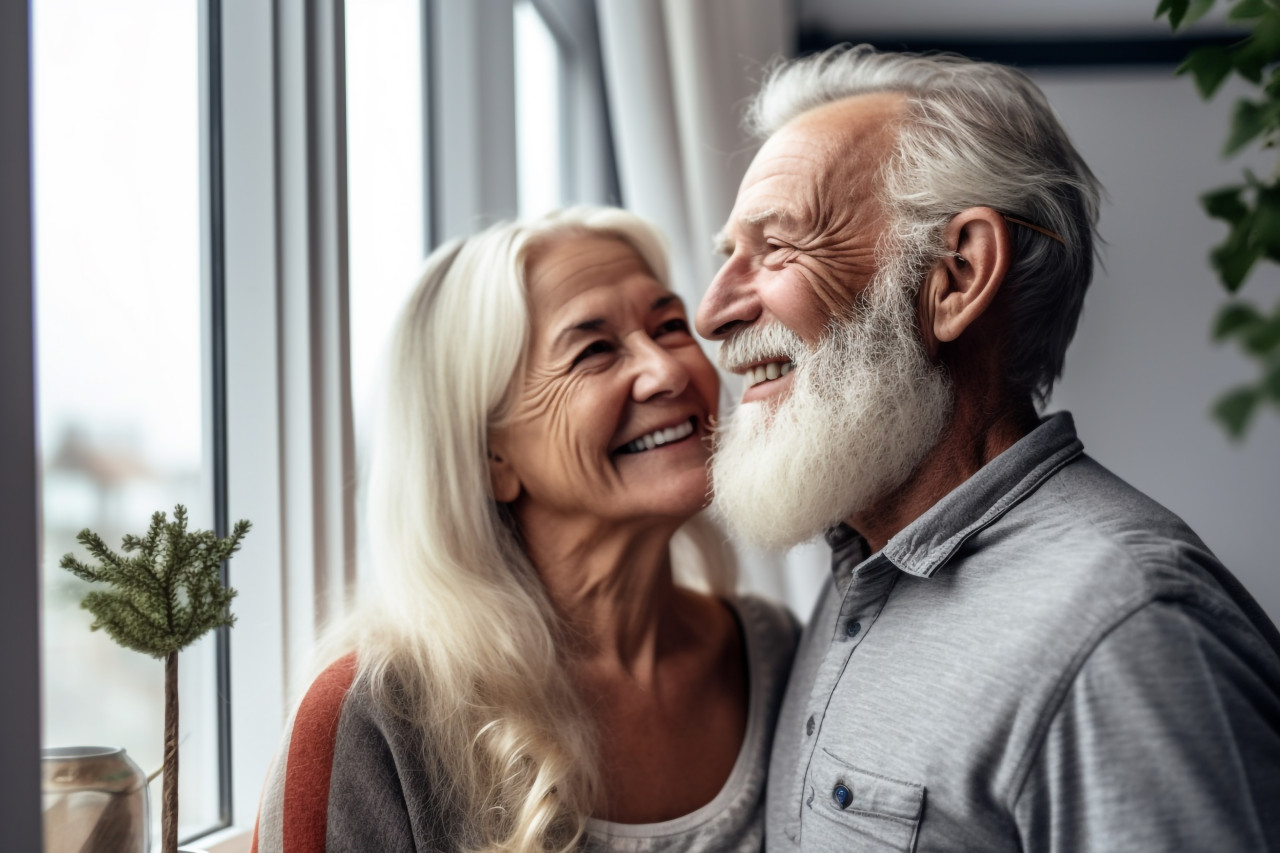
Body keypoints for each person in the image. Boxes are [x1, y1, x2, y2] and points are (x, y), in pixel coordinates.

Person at [697, 45, 1280, 851]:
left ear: (957, 275)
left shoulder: (1125, 629)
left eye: (779, 245)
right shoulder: (861, 565)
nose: (712, 311)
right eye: (725, 255)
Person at [252, 207, 797, 853]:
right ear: (490, 457)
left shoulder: (774, 653)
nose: (669, 371)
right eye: (594, 350)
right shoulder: (372, 715)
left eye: (671, 326)